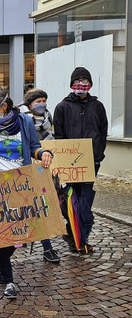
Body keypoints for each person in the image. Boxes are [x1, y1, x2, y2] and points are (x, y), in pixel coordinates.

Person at [0, 88, 53, 299]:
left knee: (21, 236)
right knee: (2, 236)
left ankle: (1, 264)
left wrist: (44, 153)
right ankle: (8, 280)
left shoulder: (25, 122)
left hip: (22, 187)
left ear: (3, 107)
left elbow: (35, 147)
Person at [53, 67, 108, 254]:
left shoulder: (97, 106)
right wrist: (63, 159)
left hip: (91, 162)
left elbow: (103, 131)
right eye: (78, 81)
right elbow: (58, 136)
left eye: (86, 82)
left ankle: (80, 238)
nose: (82, 85)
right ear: (72, 84)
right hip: (71, 165)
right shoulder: (62, 107)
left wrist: (98, 153)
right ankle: (74, 233)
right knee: (71, 200)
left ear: (90, 85)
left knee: (85, 203)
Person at [18, 89, 61, 263]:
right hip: (27, 169)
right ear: (30, 104)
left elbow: (54, 143)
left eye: (44, 100)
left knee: (42, 207)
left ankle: (47, 247)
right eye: (38, 101)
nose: (42, 104)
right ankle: (23, 235)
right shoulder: (21, 121)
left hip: (45, 169)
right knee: (26, 207)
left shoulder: (48, 119)